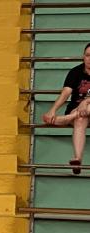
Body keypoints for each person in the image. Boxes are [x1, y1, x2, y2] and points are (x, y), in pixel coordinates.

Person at [42, 42, 90, 175]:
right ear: (83, 57)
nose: (89, 59)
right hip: (78, 113)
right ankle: (78, 159)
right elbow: (66, 93)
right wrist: (53, 110)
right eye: (87, 55)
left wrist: (86, 101)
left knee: (85, 110)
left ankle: (67, 119)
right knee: (80, 119)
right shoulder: (75, 72)